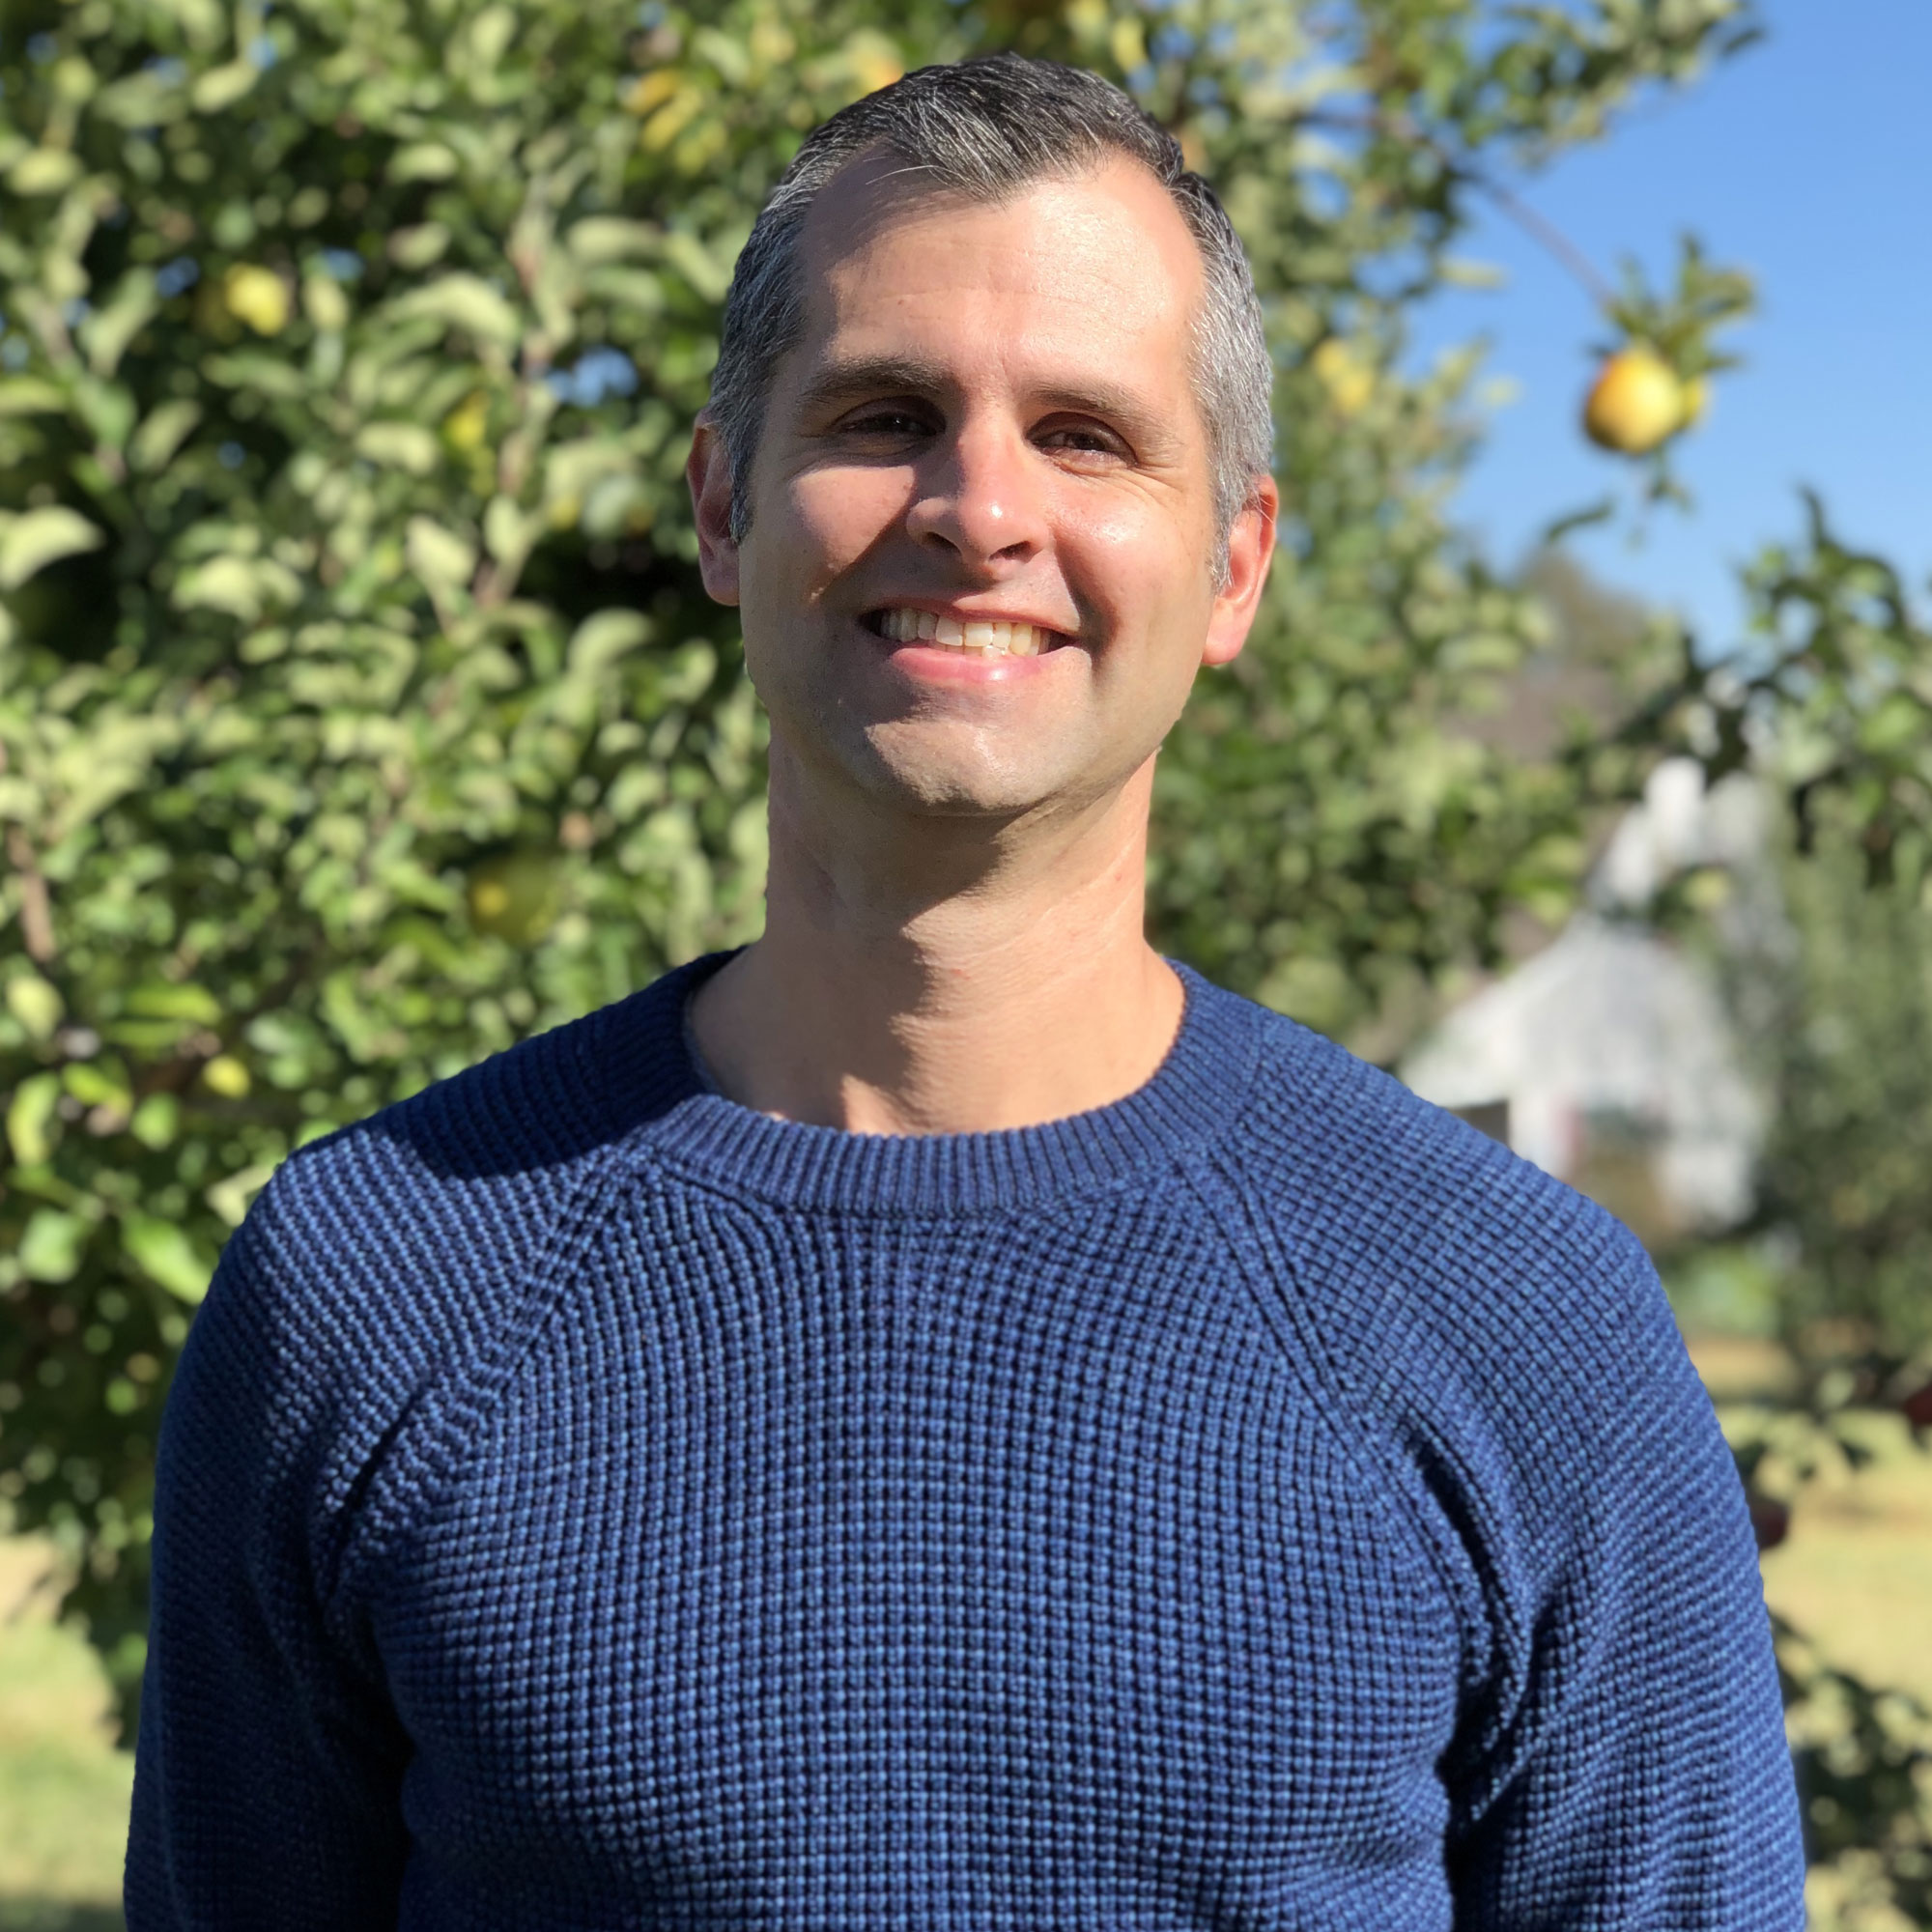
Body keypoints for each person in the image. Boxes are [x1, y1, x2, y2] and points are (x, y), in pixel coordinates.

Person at [125, 51, 1806, 1929]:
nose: (977, 508)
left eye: (1085, 432)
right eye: (883, 411)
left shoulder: (1517, 1322)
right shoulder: (372, 1281)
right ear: (716, 506)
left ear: (1234, 560)